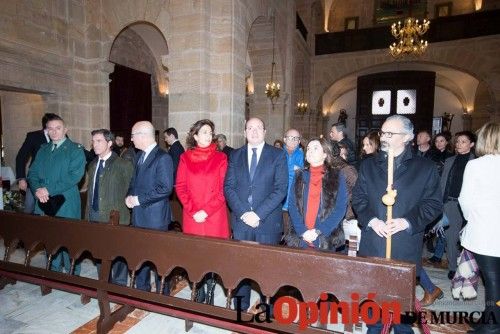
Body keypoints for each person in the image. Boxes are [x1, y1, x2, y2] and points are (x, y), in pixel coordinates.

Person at [352, 115, 442, 333]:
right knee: (372, 304)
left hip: (404, 245)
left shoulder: (425, 168)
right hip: (373, 243)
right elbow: (359, 199)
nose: (384, 137)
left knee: (401, 309)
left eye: (390, 133)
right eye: (383, 132)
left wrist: (406, 221)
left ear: (408, 137)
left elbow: (433, 204)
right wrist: (372, 221)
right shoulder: (369, 165)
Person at [224, 117, 288, 312]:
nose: (254, 131)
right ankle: (240, 311)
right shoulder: (235, 155)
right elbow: (228, 187)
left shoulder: (277, 155)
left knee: (267, 271)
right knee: (241, 269)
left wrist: (257, 214)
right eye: (249, 128)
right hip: (242, 223)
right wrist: (244, 213)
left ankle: (268, 311)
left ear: (265, 132)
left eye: (258, 127)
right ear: (244, 133)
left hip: (267, 223)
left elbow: (281, 189)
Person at [176, 119, 229, 304]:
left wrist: (206, 211)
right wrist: (193, 210)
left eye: (210, 132)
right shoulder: (185, 157)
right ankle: (197, 290)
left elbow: (224, 189)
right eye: (204, 132)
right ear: (195, 136)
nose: (208, 135)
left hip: (214, 215)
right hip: (193, 216)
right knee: (195, 255)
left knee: (213, 256)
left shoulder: (221, 158)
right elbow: (181, 187)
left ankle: (211, 291)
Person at [27, 115, 86, 274]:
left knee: (69, 238)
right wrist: (37, 189)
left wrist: (48, 189)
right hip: (44, 200)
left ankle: (73, 274)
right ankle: (52, 272)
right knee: (50, 238)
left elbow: (74, 176)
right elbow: (32, 173)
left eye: (58, 128)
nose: (54, 132)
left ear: (65, 129)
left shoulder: (75, 149)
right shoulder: (43, 149)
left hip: (66, 201)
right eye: (50, 129)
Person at [459, 122, 500, 334]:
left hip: (485, 232)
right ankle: (489, 317)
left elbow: (465, 199)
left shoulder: (476, 165)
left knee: (492, 282)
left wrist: (469, 219)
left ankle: (492, 327)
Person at [126, 121, 174, 293]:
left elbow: (165, 188)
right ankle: (142, 291)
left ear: (143, 135)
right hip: (139, 216)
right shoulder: (139, 156)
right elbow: (134, 182)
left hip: (155, 218)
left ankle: (163, 296)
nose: (131, 139)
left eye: (133, 135)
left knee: (158, 259)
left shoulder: (163, 157)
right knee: (140, 256)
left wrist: (139, 200)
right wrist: (129, 196)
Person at [86, 129, 133, 285]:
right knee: (99, 252)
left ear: (110, 143)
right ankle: (104, 282)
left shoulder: (123, 165)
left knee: (119, 255)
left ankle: (119, 286)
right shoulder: (92, 165)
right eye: (93, 141)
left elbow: (130, 189)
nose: (95, 144)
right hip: (95, 215)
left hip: (116, 217)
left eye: (99, 141)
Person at [287, 138, 348, 250]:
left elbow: (340, 208)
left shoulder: (337, 176)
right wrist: (302, 231)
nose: (310, 151)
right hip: (301, 238)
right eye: (308, 148)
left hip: (325, 237)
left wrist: (319, 231)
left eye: (315, 148)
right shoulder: (299, 176)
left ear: (325, 154)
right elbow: (292, 205)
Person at [441, 131, 475, 280]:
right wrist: (440, 203)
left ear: (471, 144)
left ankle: (471, 266)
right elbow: (443, 183)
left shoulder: (476, 162)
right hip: (452, 203)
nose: (459, 144)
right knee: (451, 237)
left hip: (471, 205)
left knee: (469, 239)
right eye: (458, 141)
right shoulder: (449, 161)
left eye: (463, 141)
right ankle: (453, 267)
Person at [16, 113, 59, 213]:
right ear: (46, 125)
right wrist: (21, 179)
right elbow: (21, 157)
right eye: (52, 125)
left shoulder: (62, 135)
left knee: (52, 208)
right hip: (36, 178)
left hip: (54, 180)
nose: (56, 129)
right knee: (29, 207)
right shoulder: (33, 136)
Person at [282, 128, 304, 211]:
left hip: (295, 200)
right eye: (291, 137)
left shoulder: (304, 155)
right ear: (285, 139)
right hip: (280, 199)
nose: (294, 140)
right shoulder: (278, 153)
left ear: (299, 141)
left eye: (296, 138)